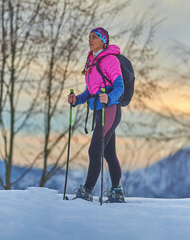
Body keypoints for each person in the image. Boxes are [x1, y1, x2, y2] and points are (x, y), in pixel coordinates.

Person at [67, 27, 125, 203]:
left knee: (95, 150)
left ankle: (87, 191)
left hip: (110, 110)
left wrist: (109, 97)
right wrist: (76, 99)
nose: (90, 40)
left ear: (103, 40)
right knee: (108, 153)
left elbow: (119, 87)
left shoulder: (110, 60)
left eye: (94, 37)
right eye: (89, 37)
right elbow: (90, 91)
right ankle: (117, 192)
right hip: (99, 111)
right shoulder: (91, 61)